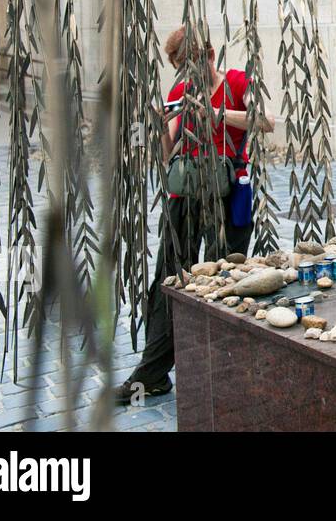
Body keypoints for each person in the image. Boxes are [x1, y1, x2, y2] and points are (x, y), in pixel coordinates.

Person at [114, 25, 274, 405]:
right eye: (178, 67)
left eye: (189, 64)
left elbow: (264, 120)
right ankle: (151, 375)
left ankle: (220, 370)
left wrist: (214, 113)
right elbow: (168, 152)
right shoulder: (178, 92)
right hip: (184, 198)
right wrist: (157, 129)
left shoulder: (236, 82)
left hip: (227, 194)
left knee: (222, 280)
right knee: (168, 279)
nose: (185, 74)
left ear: (210, 55)